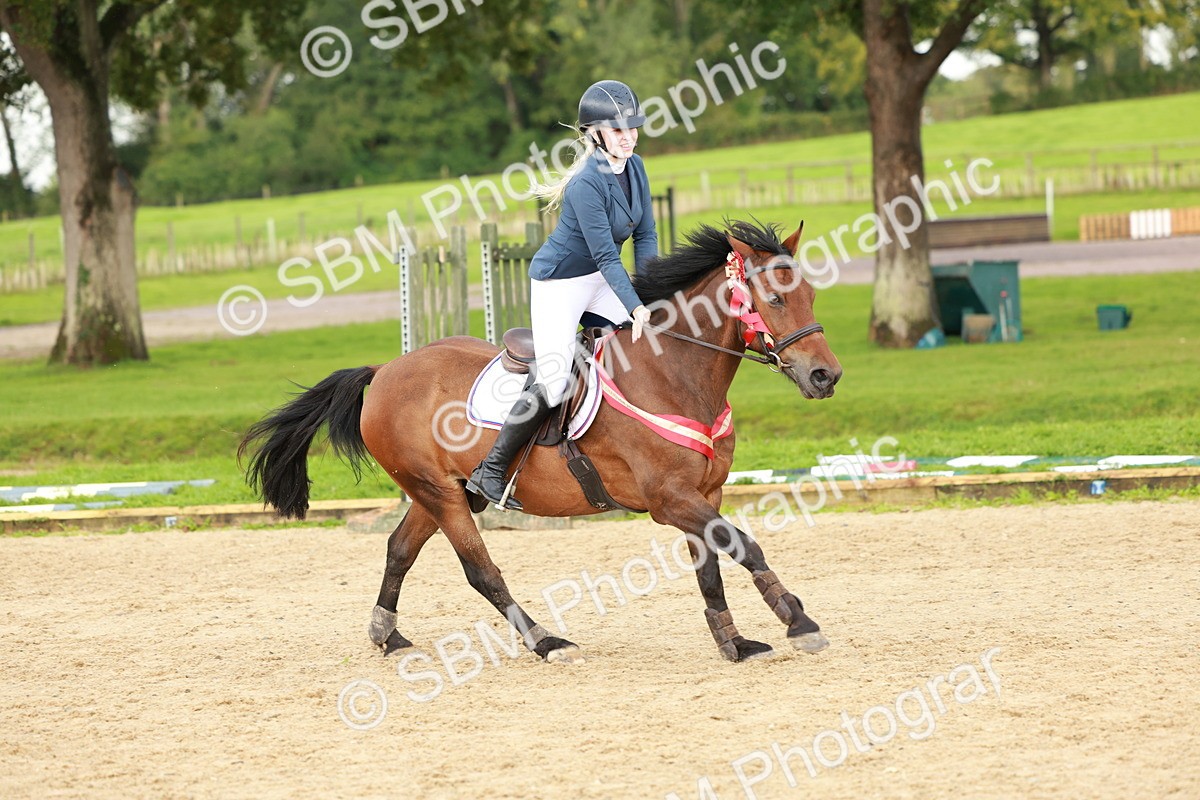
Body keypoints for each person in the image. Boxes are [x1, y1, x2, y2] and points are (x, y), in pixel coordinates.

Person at [466, 79, 659, 510]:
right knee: (555, 379)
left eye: (633, 128)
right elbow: (609, 257)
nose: (628, 137)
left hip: (600, 279)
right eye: (617, 130)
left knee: (649, 341)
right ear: (595, 134)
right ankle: (491, 471)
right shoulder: (585, 185)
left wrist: (651, 296)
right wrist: (634, 305)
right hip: (561, 283)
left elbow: (646, 235)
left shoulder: (637, 167)